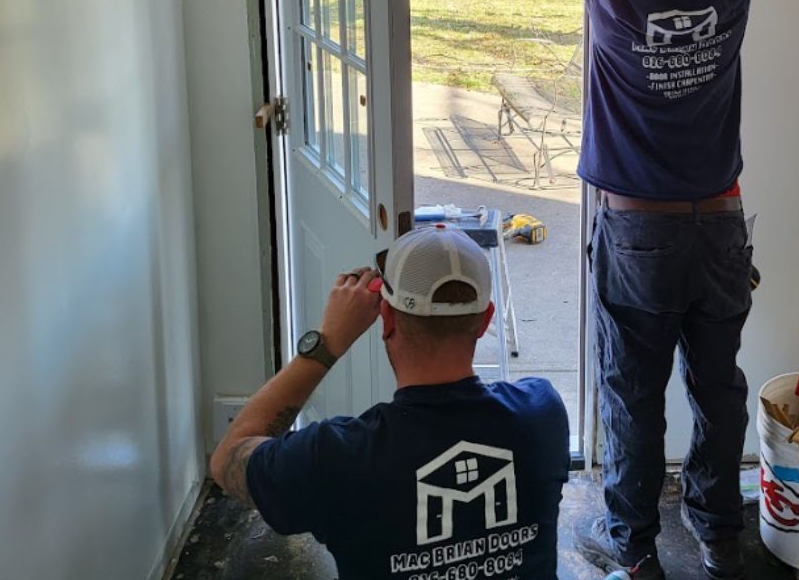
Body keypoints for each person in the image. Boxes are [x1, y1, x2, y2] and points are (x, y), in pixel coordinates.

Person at [566, 0, 759, 580]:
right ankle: (721, 533)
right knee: (716, 388)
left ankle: (633, 550)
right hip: (719, 223)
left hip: (637, 231)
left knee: (633, 394)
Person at [210, 224, 570, 579]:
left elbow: (227, 459)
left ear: (386, 319)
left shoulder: (334, 459)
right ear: (485, 320)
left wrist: (328, 342)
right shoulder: (543, 415)